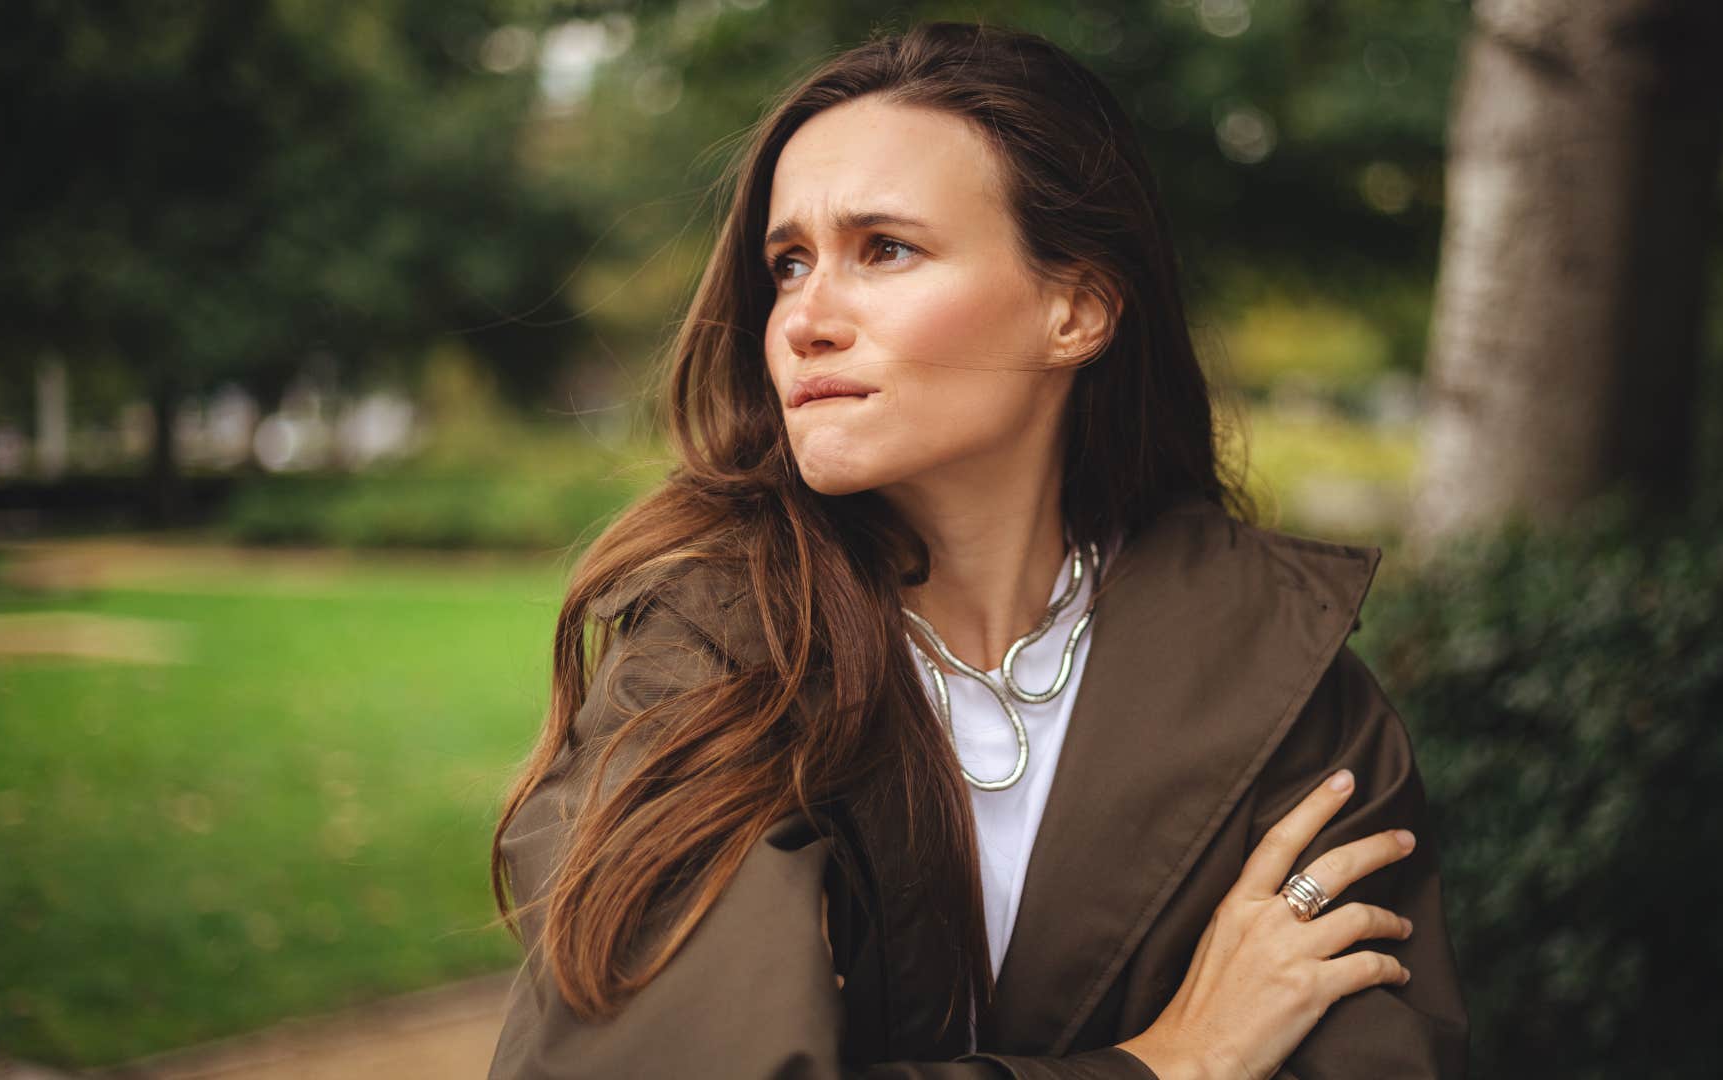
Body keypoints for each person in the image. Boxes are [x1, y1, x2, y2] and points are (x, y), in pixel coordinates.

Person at [488, 20, 1467, 1080]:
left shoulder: (1285, 672)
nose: (803, 319)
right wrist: (1173, 1062)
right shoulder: (704, 662)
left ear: (1076, 309)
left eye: (886, 249)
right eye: (788, 263)